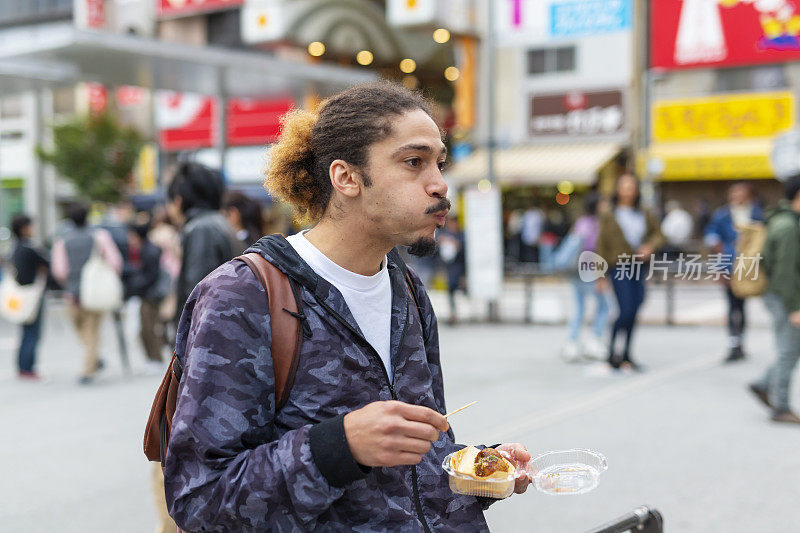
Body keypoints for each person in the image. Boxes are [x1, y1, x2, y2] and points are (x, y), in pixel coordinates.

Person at [164, 82, 531, 531]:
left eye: (439, 162)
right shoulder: (243, 296)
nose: (439, 184)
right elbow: (201, 500)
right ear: (347, 178)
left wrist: (481, 468)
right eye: (413, 162)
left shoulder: (407, 290)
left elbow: (418, 462)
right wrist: (338, 448)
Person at [596, 174, 665, 371]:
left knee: (635, 309)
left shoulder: (644, 213)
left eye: (631, 187)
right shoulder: (609, 215)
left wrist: (650, 246)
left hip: (639, 267)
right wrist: (600, 275)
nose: (628, 191)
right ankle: (611, 351)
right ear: (618, 190)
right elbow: (601, 246)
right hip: (618, 266)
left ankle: (626, 353)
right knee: (625, 310)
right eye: (624, 187)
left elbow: (659, 234)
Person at [748, 174, 800, 424]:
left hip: (780, 295)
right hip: (784, 297)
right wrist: (795, 307)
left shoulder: (784, 220)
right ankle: (781, 406)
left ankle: (763, 383)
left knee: (789, 348)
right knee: (788, 351)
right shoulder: (788, 227)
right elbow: (785, 273)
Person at [52, 204, 123, 384]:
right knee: (91, 330)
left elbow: (59, 270)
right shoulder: (99, 237)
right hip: (95, 292)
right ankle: (94, 357)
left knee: (82, 328)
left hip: (72, 293)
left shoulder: (62, 240)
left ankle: (87, 370)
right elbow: (115, 262)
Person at [166, 161, 238, 323]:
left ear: (179, 200)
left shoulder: (201, 229)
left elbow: (198, 294)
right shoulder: (219, 223)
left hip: (207, 337)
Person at [704, 183, 763, 363]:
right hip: (728, 263)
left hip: (748, 265)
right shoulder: (722, 215)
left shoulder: (756, 213)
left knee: (742, 305)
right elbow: (711, 233)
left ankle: (740, 342)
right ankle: (733, 342)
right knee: (732, 305)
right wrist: (715, 244)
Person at [560, 193, 610, 362]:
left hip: (576, 271)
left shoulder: (581, 223)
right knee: (604, 306)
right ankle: (594, 341)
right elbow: (595, 250)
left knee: (580, 308)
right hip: (591, 270)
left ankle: (572, 343)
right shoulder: (598, 225)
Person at [10, 215, 50, 380]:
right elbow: (48, 262)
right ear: (24, 228)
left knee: (25, 331)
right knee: (32, 332)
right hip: (32, 294)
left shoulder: (15, 247)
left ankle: (22, 366)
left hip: (20, 295)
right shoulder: (30, 247)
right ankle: (28, 367)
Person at [124, 223, 167, 373]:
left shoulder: (149, 251)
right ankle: (153, 359)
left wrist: (135, 286)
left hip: (150, 295)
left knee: (149, 328)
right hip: (148, 294)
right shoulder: (147, 249)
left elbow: (150, 276)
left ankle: (156, 359)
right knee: (146, 328)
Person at [436, 215, 466, 325]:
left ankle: (454, 313)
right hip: (448, 268)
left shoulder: (462, 235)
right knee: (451, 290)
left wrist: (458, 246)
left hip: (459, 267)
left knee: (456, 289)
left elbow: (466, 252)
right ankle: (453, 314)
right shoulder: (443, 234)